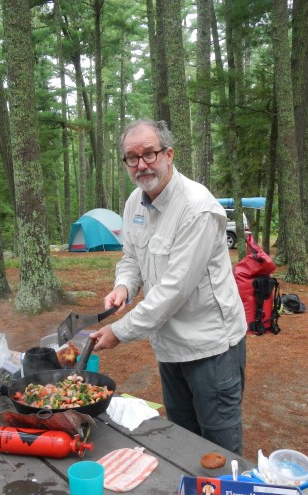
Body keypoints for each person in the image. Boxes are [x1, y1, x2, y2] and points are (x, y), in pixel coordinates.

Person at [90, 119, 248, 455]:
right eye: (132, 158)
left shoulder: (197, 208)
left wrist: (120, 331)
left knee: (218, 444)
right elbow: (131, 256)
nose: (142, 165)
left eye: (150, 154)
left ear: (169, 154)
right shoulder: (136, 202)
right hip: (169, 346)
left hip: (211, 346)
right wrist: (123, 287)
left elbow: (174, 290)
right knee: (183, 437)